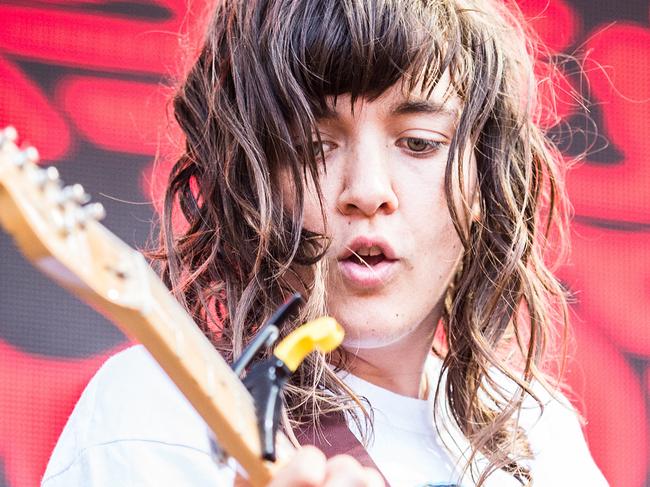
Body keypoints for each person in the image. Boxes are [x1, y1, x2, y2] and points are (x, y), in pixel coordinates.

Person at [42, 0, 609, 485]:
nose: (366, 191)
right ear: (252, 183)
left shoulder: (541, 438)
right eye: (314, 146)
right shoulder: (162, 408)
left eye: (417, 142)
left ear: (485, 179)